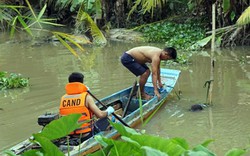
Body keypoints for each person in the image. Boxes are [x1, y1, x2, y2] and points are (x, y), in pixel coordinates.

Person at [59, 72, 114, 142]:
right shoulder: (86, 97)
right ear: (82, 83)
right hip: (86, 136)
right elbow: (100, 115)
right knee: (110, 118)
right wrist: (109, 110)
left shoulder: (63, 98)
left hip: (70, 136)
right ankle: (107, 136)